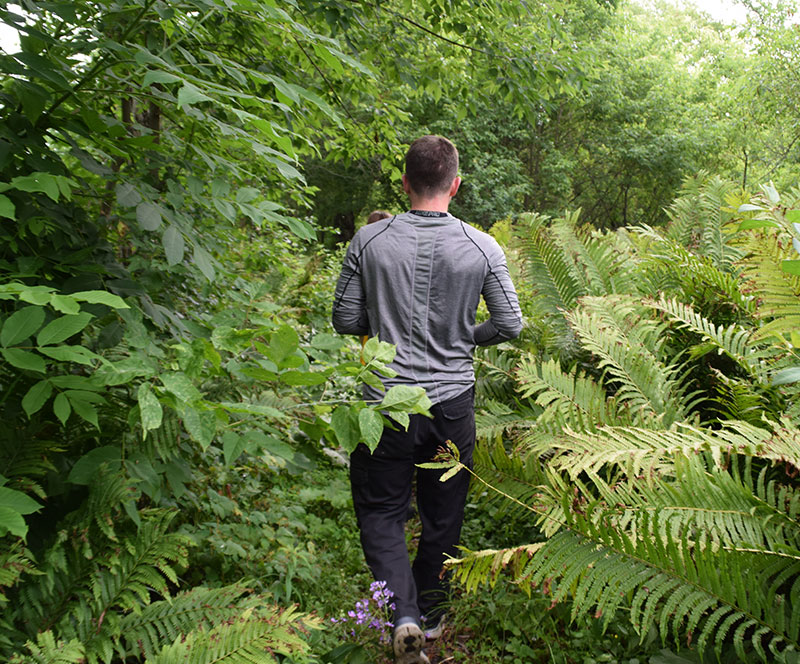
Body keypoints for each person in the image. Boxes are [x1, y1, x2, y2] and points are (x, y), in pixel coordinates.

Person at [331, 135, 523, 664]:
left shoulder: (368, 241)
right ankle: (432, 616)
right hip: (451, 404)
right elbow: (510, 323)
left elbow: (345, 320)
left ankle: (404, 616)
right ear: (455, 185)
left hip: (385, 406)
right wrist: (463, 338)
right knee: (444, 512)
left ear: (404, 183)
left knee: (381, 510)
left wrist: (387, 329)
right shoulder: (484, 247)